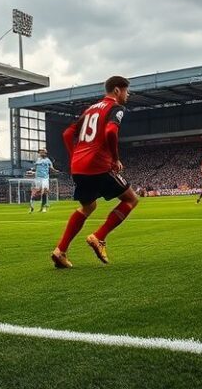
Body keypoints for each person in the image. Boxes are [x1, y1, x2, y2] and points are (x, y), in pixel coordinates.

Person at [51, 76, 140, 269]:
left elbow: (67, 134)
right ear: (117, 90)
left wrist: (74, 156)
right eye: (126, 91)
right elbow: (110, 132)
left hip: (79, 166)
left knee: (88, 207)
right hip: (98, 165)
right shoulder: (116, 108)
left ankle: (60, 251)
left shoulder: (90, 109)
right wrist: (115, 159)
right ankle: (99, 237)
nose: (128, 95)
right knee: (131, 199)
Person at [30, 148, 59, 213]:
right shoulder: (37, 160)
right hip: (38, 178)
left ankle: (44, 207)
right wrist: (31, 171)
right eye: (42, 152)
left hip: (45, 178)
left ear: (46, 153)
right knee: (38, 192)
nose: (43, 153)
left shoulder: (48, 160)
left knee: (45, 192)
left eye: (44, 152)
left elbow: (51, 167)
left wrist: (55, 170)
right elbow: (34, 168)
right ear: (39, 153)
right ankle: (34, 206)